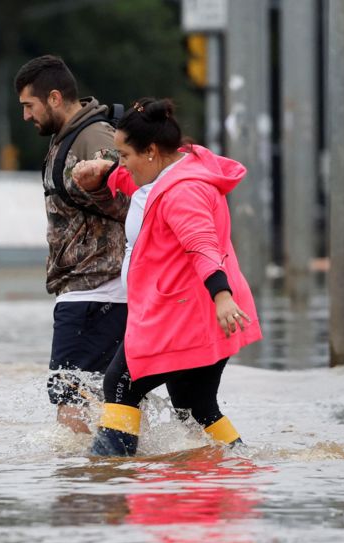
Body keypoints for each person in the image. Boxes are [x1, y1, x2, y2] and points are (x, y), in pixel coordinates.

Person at [72, 98, 263, 456]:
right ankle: (237, 465)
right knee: (194, 404)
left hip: (188, 312)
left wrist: (222, 297)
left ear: (152, 152)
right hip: (196, 311)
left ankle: (109, 475)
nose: (121, 163)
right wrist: (105, 172)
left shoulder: (184, 192)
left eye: (124, 155)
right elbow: (135, 183)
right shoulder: (175, 168)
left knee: (119, 384)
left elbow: (202, 245)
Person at [14, 56, 131, 432]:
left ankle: (81, 485)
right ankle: (114, 474)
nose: (26, 117)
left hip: (94, 293)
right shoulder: (68, 137)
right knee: (101, 398)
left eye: (28, 106)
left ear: (52, 98)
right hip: (93, 294)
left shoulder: (93, 138)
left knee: (70, 403)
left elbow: (136, 202)